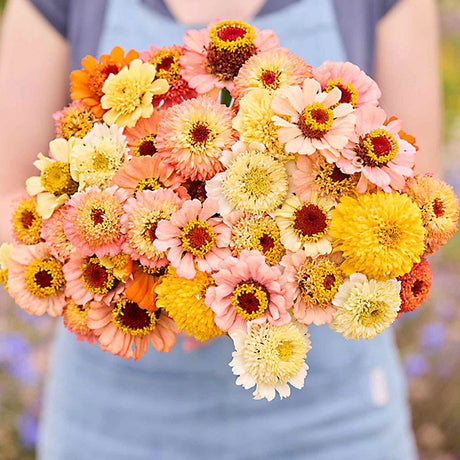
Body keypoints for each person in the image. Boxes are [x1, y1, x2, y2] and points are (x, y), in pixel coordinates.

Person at [0, 0, 441, 458]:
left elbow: (413, 197)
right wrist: (137, 260)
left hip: (336, 423)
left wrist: (283, 266)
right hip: (112, 424)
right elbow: (12, 196)